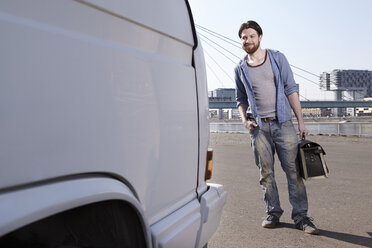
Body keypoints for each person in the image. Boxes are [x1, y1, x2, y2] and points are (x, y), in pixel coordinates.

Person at [234, 20, 319, 234]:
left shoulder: (277, 58)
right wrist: (245, 120)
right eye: (244, 37)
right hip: (258, 129)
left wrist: (300, 121)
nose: (248, 40)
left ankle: (301, 217)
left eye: (252, 36)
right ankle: (273, 212)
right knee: (266, 173)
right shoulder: (240, 68)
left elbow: (291, 89)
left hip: (283, 124)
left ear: (260, 37)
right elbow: (240, 99)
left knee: (293, 172)